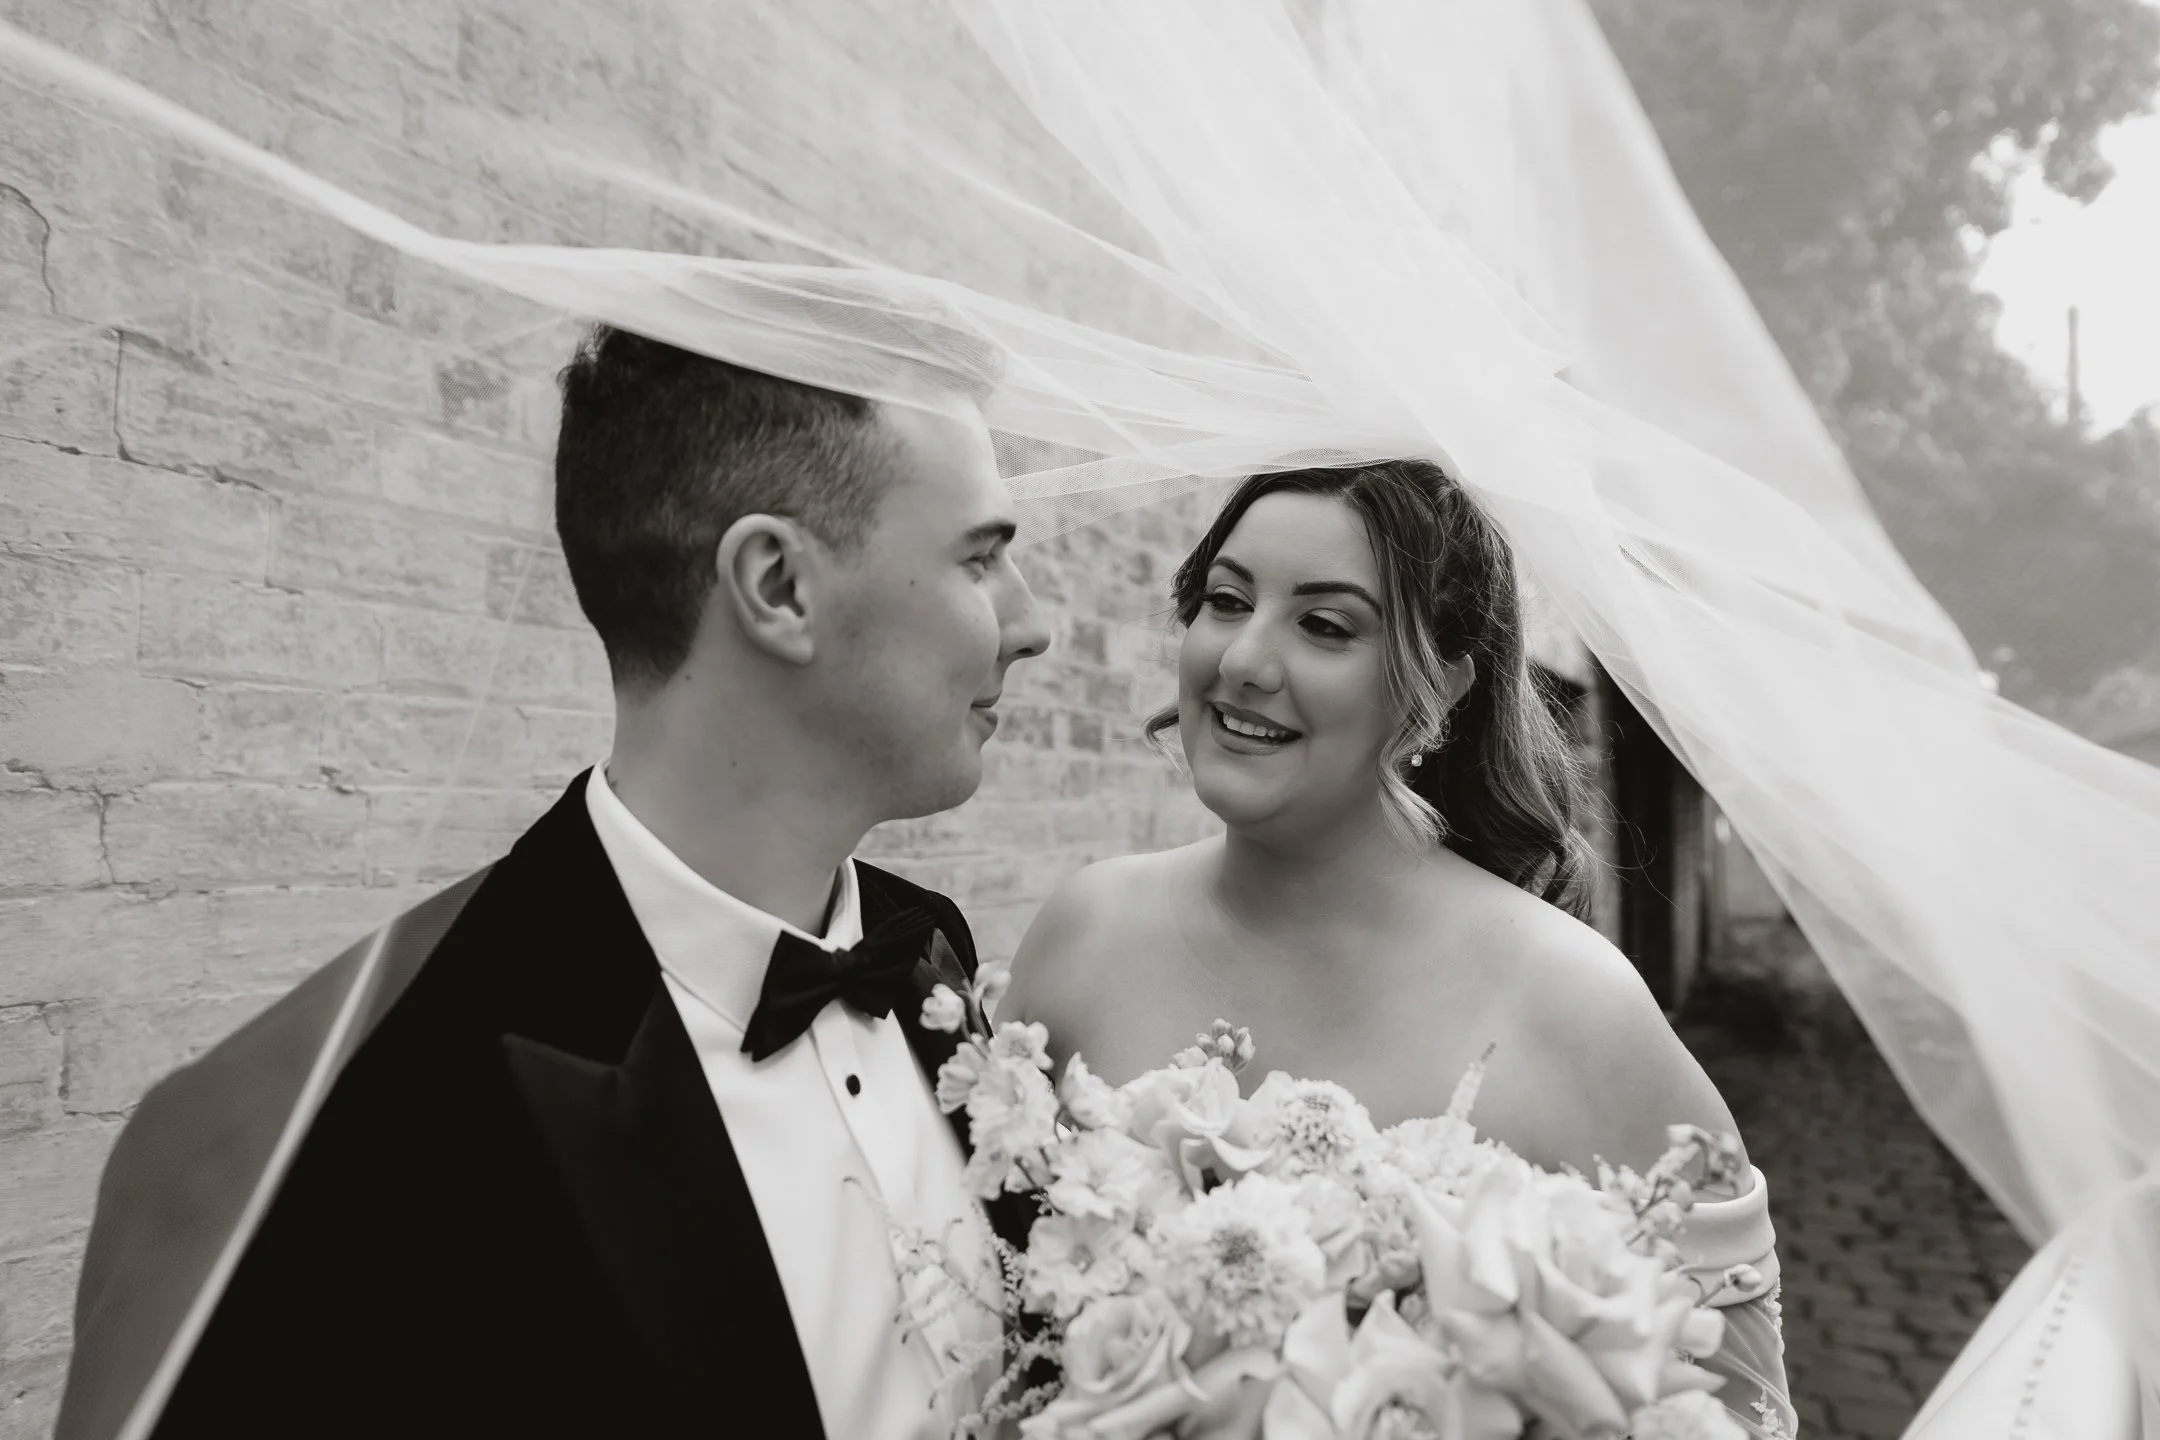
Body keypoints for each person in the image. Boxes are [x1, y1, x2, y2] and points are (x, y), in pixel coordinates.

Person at [56, 327, 1051, 1440]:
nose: (1033, 623)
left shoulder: (930, 952)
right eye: (981, 556)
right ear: (778, 585)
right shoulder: (351, 1128)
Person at [1003, 459, 1795, 1433]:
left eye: (1324, 625)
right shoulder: (1084, 934)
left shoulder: (1579, 1007)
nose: (1244, 659)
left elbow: (1739, 1412)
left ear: (1443, 686)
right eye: (1225, 599)